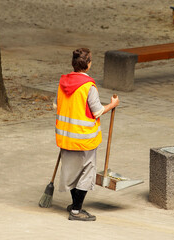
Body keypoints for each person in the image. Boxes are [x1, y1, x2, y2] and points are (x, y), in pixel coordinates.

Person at [55, 48, 119, 221]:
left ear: (73, 63)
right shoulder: (88, 87)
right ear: (88, 64)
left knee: (71, 171)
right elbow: (97, 111)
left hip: (65, 137)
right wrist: (112, 105)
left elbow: (56, 106)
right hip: (84, 138)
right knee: (86, 172)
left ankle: (74, 203)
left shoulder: (63, 83)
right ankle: (76, 210)